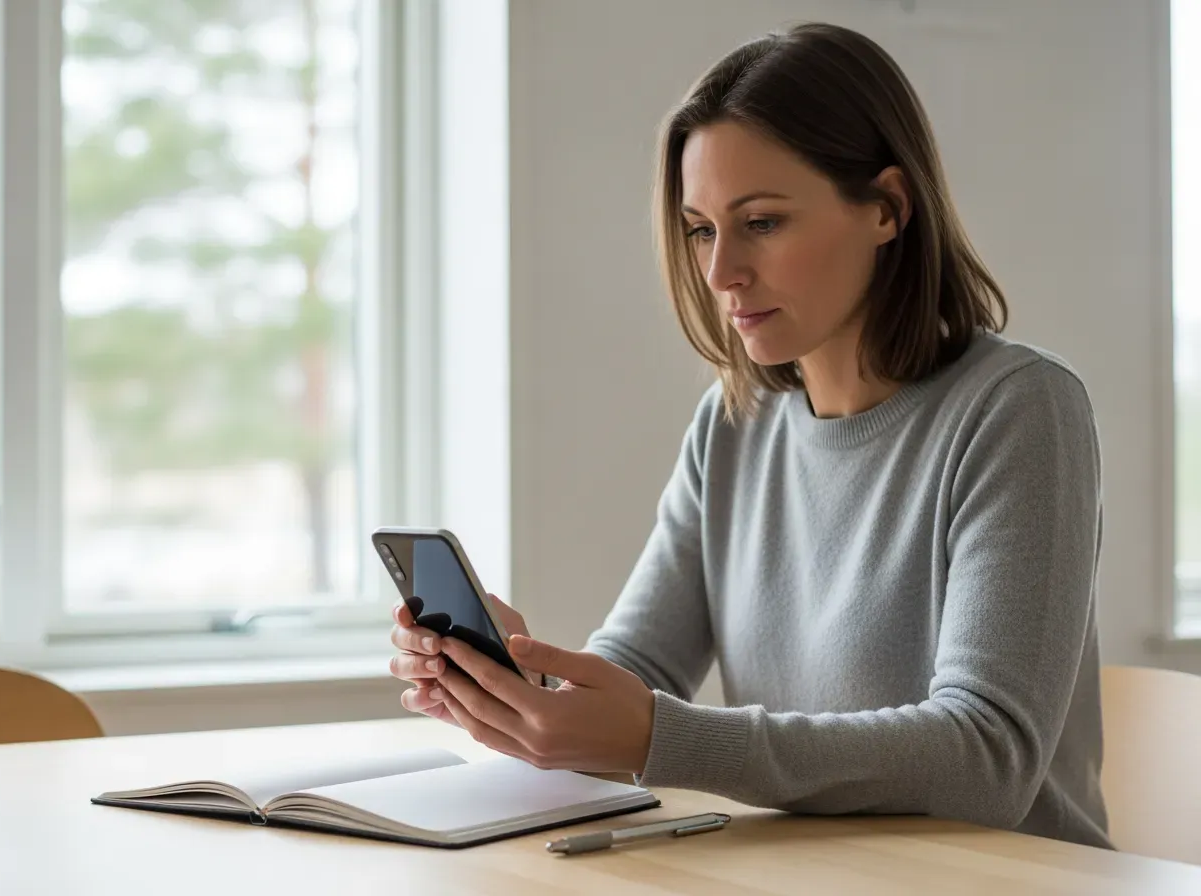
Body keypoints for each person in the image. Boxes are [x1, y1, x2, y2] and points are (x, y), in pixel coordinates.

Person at [387, 22, 1111, 849]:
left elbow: (988, 759)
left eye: (761, 222)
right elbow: (639, 675)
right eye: (701, 229)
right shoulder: (735, 425)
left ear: (887, 208)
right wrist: (520, 682)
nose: (721, 271)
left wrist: (659, 736)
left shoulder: (1020, 408)